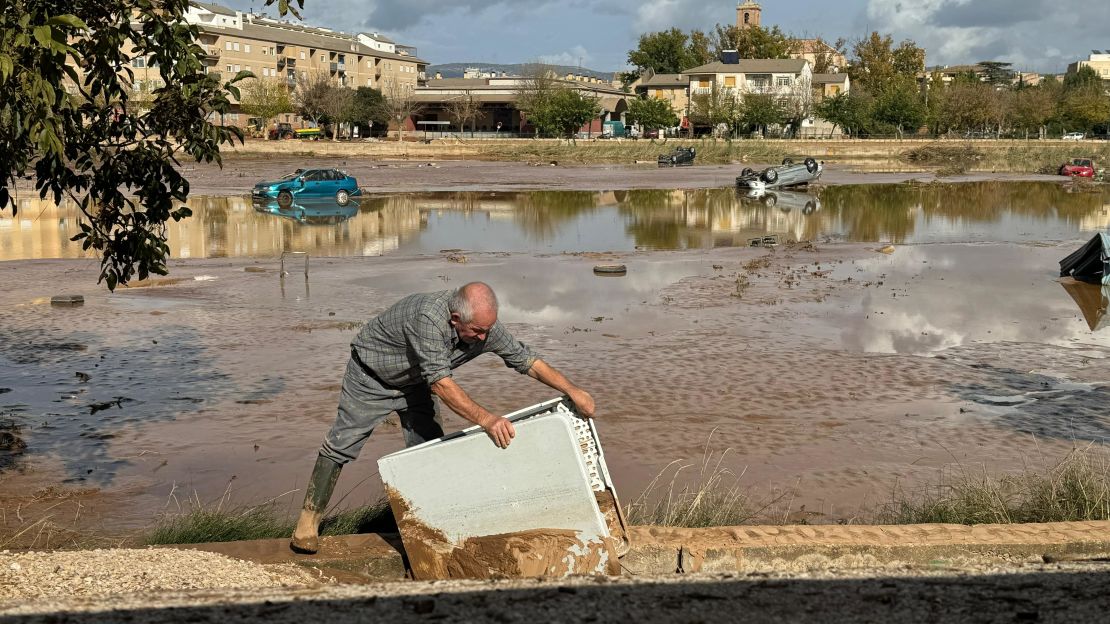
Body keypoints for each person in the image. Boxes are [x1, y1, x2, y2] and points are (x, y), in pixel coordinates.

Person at [290, 282, 595, 554]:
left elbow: (525, 360)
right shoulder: (427, 318)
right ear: (455, 319)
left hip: (415, 383)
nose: (483, 337)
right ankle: (308, 519)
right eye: (477, 331)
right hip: (371, 377)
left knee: (429, 450)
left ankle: (428, 524)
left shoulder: (483, 326)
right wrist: (488, 420)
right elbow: (441, 383)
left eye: (488, 330)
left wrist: (573, 390)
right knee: (341, 444)